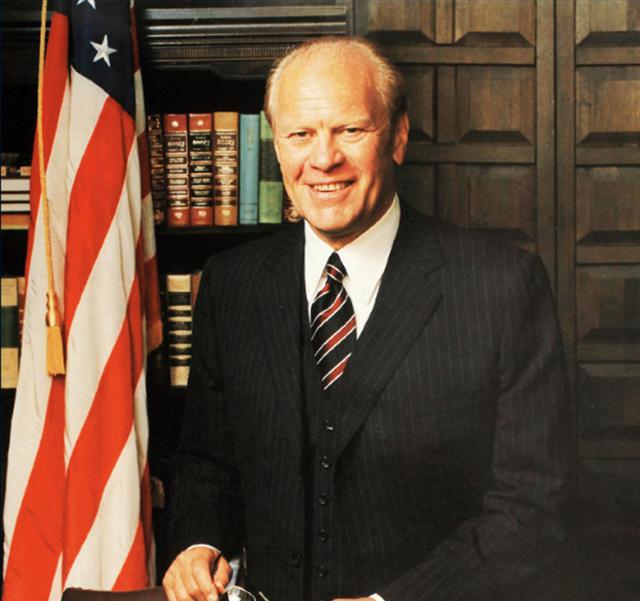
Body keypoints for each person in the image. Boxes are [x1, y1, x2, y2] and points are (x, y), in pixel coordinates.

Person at [162, 36, 571, 601]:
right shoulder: (232, 283)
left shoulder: (500, 285)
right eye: (300, 134)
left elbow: (532, 505)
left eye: (350, 130)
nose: (323, 159)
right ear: (276, 145)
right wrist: (197, 543)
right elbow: (208, 461)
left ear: (398, 137)